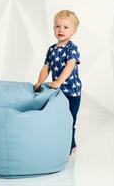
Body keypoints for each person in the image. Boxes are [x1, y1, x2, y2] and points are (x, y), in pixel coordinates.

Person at [34, 10, 82, 154]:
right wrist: (39, 82)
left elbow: (70, 65)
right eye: (57, 26)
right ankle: (58, 143)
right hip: (58, 91)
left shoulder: (71, 48)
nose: (61, 30)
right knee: (58, 119)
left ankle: (71, 145)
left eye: (66, 27)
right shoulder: (52, 49)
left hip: (72, 91)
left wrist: (59, 81)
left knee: (69, 119)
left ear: (73, 31)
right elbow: (45, 68)